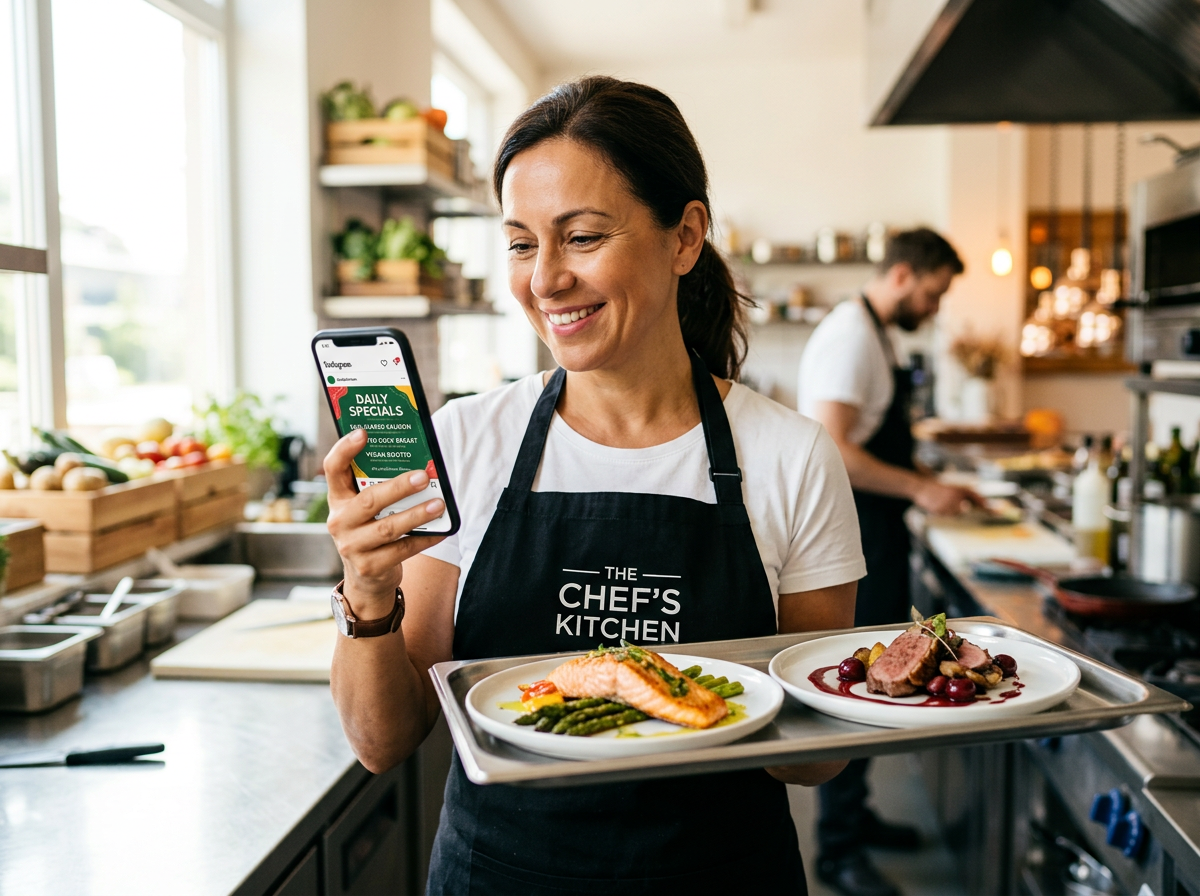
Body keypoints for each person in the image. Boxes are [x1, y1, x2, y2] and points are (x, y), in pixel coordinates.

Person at [325, 76, 868, 894]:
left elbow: (817, 762)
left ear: (684, 238)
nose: (544, 280)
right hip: (498, 876)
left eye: (581, 237)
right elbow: (383, 739)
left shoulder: (791, 456)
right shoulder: (470, 440)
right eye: (519, 243)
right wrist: (367, 589)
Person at [796, 228, 972, 896]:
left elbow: (875, 437)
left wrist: (925, 473)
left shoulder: (874, 332)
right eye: (933, 292)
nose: (934, 307)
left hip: (878, 529)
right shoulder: (850, 337)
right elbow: (837, 448)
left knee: (874, 682)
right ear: (903, 275)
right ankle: (838, 851)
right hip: (858, 533)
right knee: (855, 692)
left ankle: (857, 816)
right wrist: (922, 488)